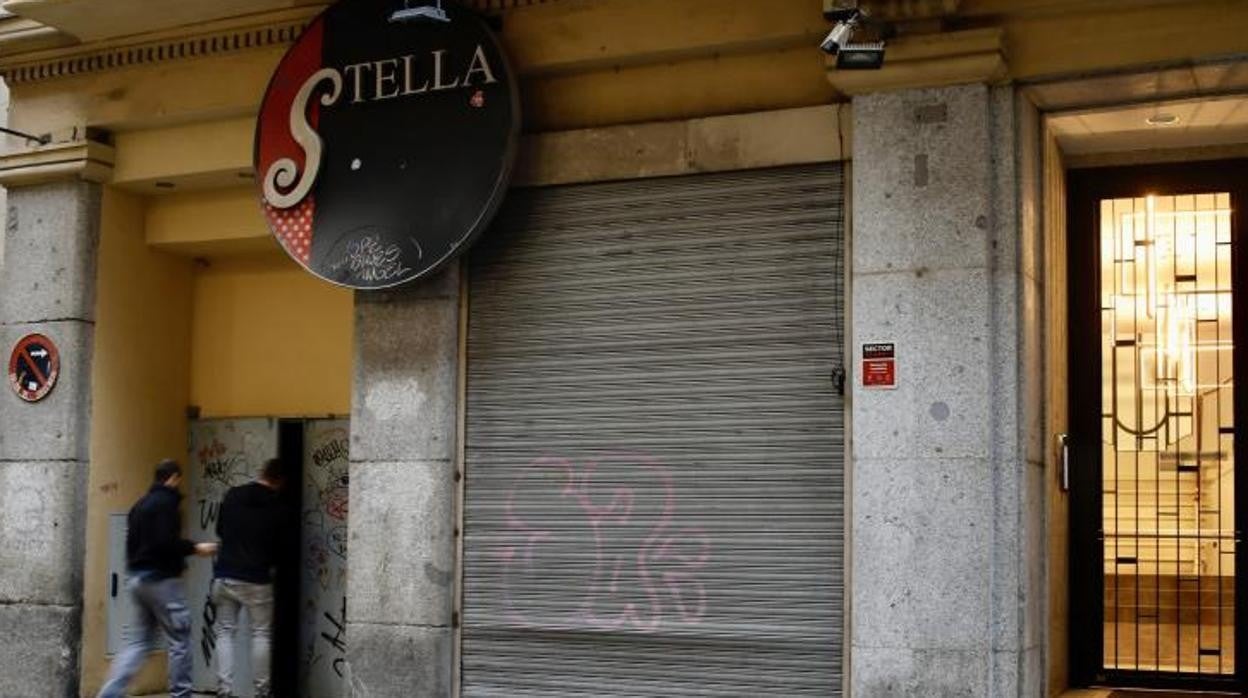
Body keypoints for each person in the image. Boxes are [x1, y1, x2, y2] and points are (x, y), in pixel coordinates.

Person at [99, 459, 217, 698]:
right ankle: (181, 695)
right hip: (162, 582)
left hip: (137, 580)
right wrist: (195, 548)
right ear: (173, 477)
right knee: (180, 640)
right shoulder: (166, 503)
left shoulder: (139, 505)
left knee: (138, 642)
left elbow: (131, 545)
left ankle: (111, 692)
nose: (178, 486)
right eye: (178, 480)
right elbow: (166, 543)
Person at [212, 457, 286, 698]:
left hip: (225, 574)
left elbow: (220, 529)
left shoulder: (233, 495)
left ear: (261, 471)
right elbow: (278, 547)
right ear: (280, 481)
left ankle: (225, 690)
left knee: (224, 632)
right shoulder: (277, 505)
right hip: (257, 578)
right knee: (261, 634)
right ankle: (261, 691)